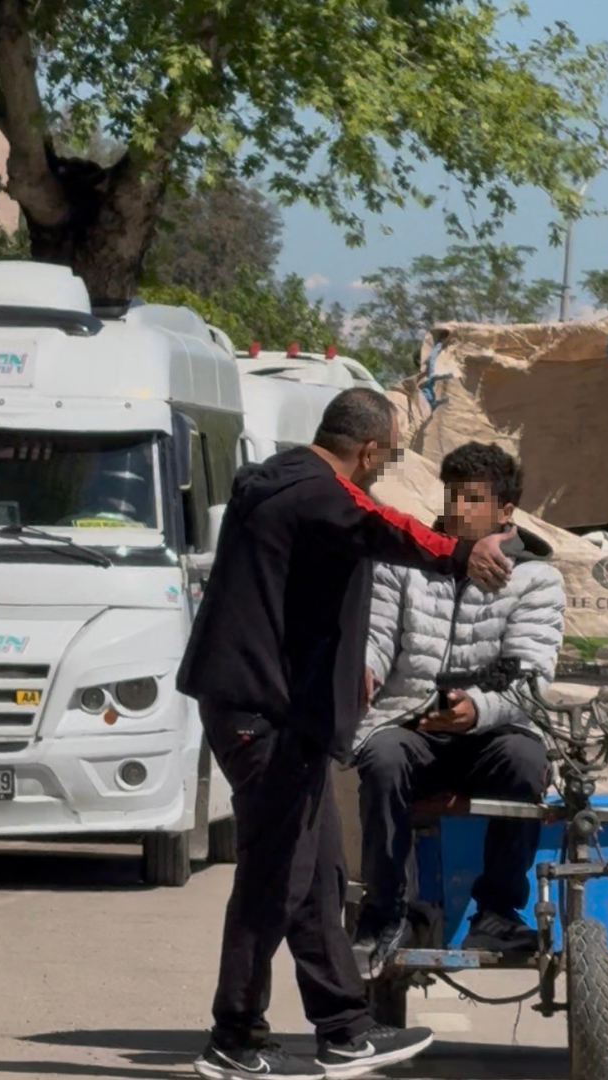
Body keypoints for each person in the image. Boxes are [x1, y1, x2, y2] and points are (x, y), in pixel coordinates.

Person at [176, 389, 513, 1080]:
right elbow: (385, 527)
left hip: (280, 712)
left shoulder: (276, 481)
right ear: (366, 449)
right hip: (263, 717)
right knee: (274, 879)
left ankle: (344, 1029)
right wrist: (461, 553)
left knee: (321, 873)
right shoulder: (319, 494)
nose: (380, 471)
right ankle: (233, 1038)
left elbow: (305, 594)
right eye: (384, 457)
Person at [353, 441, 565, 974]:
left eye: (472, 499)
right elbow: (377, 633)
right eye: (452, 496)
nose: (457, 509)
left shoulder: (536, 579)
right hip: (412, 722)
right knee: (380, 759)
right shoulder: (405, 560)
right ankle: (385, 913)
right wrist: (365, 667)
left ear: (505, 512)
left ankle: (496, 911)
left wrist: (478, 708)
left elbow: (531, 673)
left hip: (489, 732)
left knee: (526, 761)